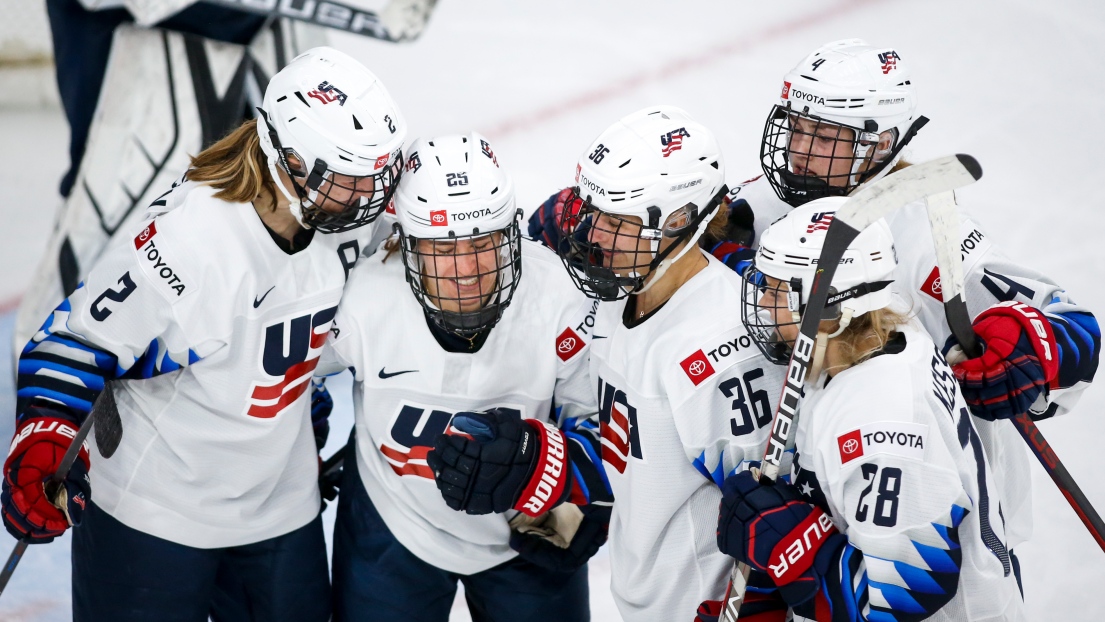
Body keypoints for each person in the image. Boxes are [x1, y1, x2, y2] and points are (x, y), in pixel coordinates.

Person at [2, 46, 406, 621]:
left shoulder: (342, 227)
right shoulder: (193, 242)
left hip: (279, 508)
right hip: (156, 513)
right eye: (350, 180)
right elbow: (76, 342)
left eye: (374, 178)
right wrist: (43, 441)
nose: (369, 199)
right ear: (287, 161)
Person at [727, 38, 1100, 565]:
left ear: (880, 145)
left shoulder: (927, 231)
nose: (799, 149)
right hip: (815, 507)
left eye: (825, 134)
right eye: (797, 126)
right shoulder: (764, 202)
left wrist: (1031, 350)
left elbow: (1069, 325)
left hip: (940, 512)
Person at [428, 106, 787, 621]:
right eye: (594, 212)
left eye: (617, 220)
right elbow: (634, 453)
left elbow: (771, 516)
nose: (593, 235)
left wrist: (757, 611)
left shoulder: (723, 347)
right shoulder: (620, 297)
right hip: (647, 604)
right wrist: (534, 462)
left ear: (682, 221)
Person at [322, 131, 610, 622]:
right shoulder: (364, 299)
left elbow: (603, 429)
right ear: (405, 244)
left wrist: (544, 467)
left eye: (484, 242)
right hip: (394, 524)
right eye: (442, 248)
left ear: (512, 234)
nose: (466, 271)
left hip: (525, 533)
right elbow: (287, 375)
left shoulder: (560, 297)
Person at [718, 197, 1026, 621]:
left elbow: (899, 596)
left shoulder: (881, 420)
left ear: (830, 309)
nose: (763, 307)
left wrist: (790, 547)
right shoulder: (872, 338)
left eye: (776, 293)